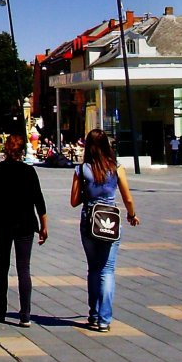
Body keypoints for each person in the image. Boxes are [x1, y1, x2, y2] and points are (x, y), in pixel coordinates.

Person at [70, 129, 139, 332]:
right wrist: (132, 215)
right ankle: (104, 319)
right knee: (107, 269)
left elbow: (74, 201)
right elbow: (128, 198)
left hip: (89, 219)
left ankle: (93, 315)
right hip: (111, 221)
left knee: (93, 268)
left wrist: (88, 191)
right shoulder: (116, 168)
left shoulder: (82, 170)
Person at [0, 134, 46, 325]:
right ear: (22, 151)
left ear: (5, 149)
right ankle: (25, 315)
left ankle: (1, 310)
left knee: (2, 267)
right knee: (24, 268)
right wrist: (44, 227)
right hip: (25, 225)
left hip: (1, 225)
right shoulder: (29, 172)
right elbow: (39, 201)